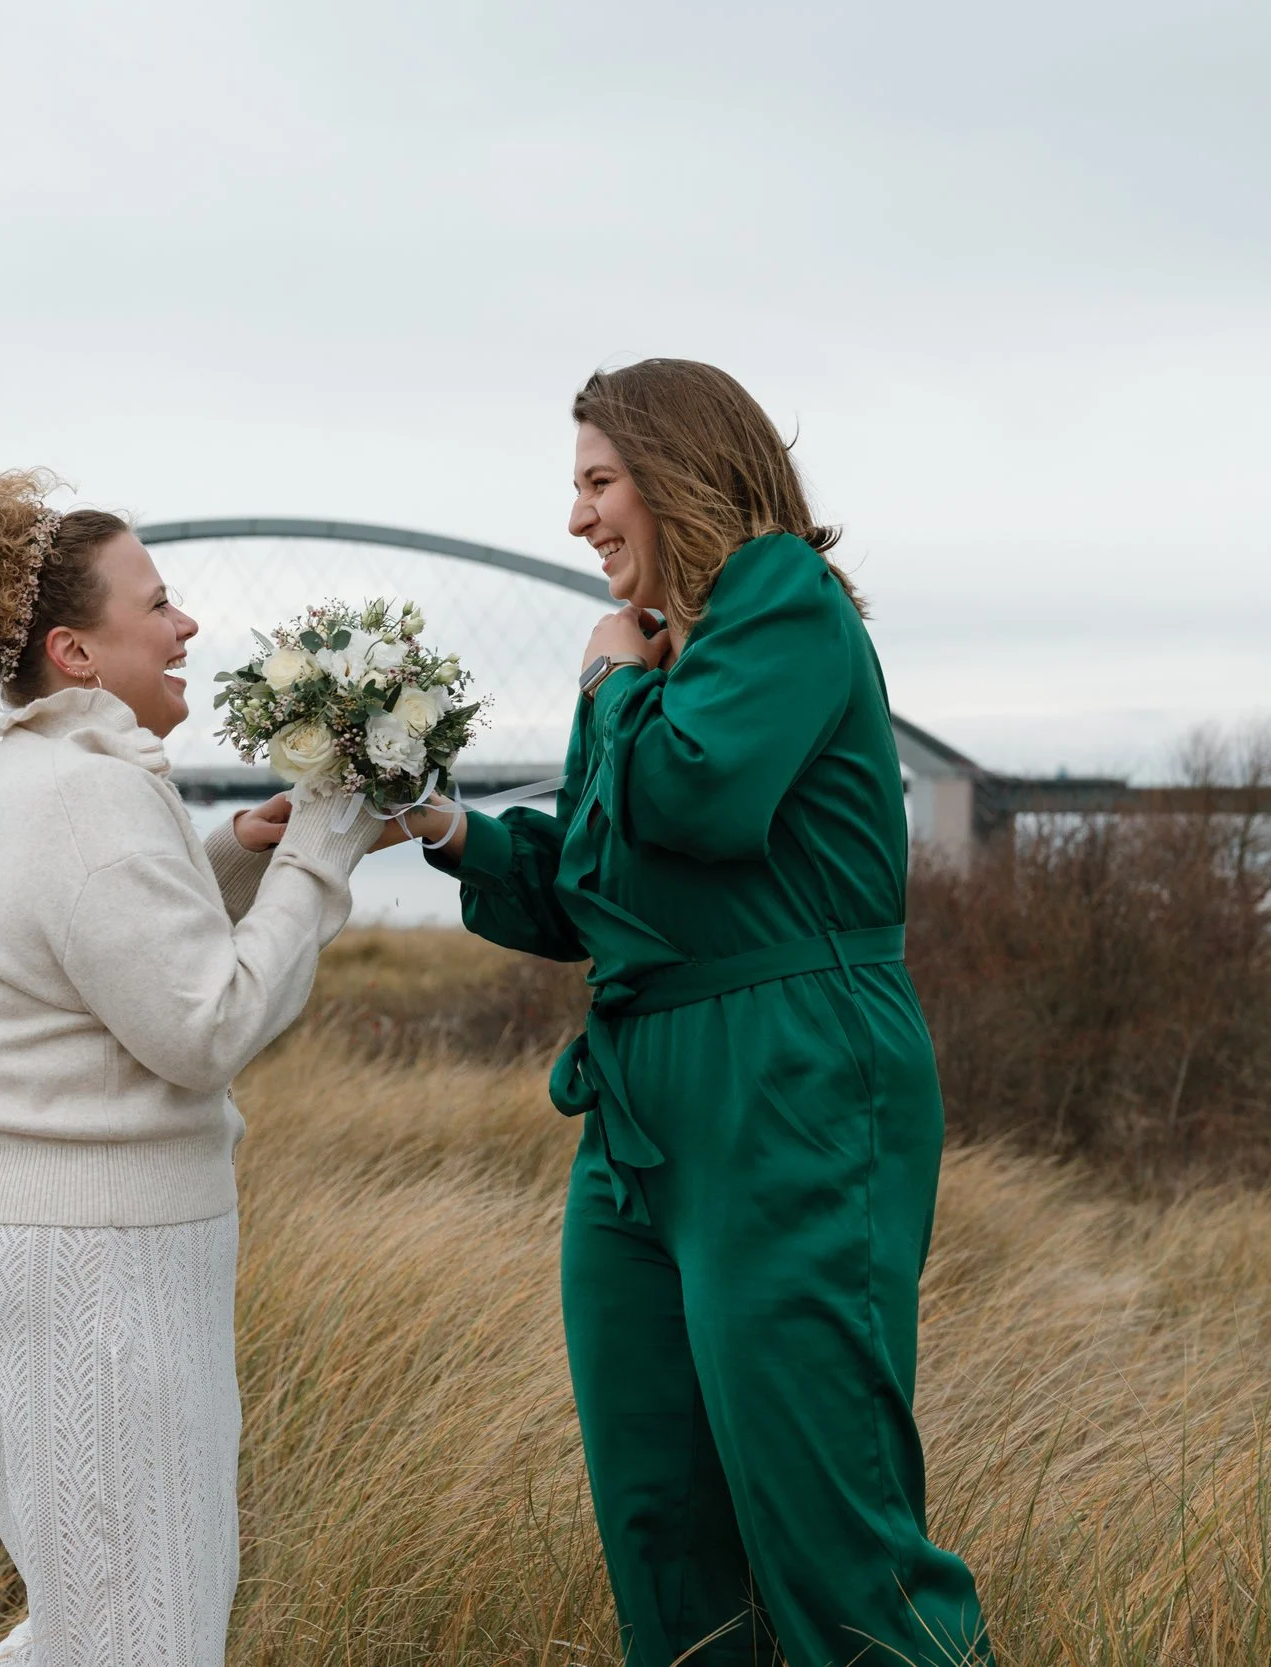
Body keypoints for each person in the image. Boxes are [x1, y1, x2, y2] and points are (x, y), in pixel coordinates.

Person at [403, 362, 991, 1666]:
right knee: (664, 1525)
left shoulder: (780, 594)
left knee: (835, 1533)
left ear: (676, 476)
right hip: (640, 1115)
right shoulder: (658, 657)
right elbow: (595, 891)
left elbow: (699, 798)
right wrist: (446, 824)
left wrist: (613, 685)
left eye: (598, 482)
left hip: (789, 1083)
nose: (578, 520)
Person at [0, 469, 384, 1667]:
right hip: (89, 1279)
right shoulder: (90, 802)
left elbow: (91, 931)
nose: (187, 626)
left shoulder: (29, 779)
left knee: (87, 1634)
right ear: (73, 650)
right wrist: (317, 857)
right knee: (146, 1642)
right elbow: (203, 1027)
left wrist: (225, 851)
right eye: (156, 603)